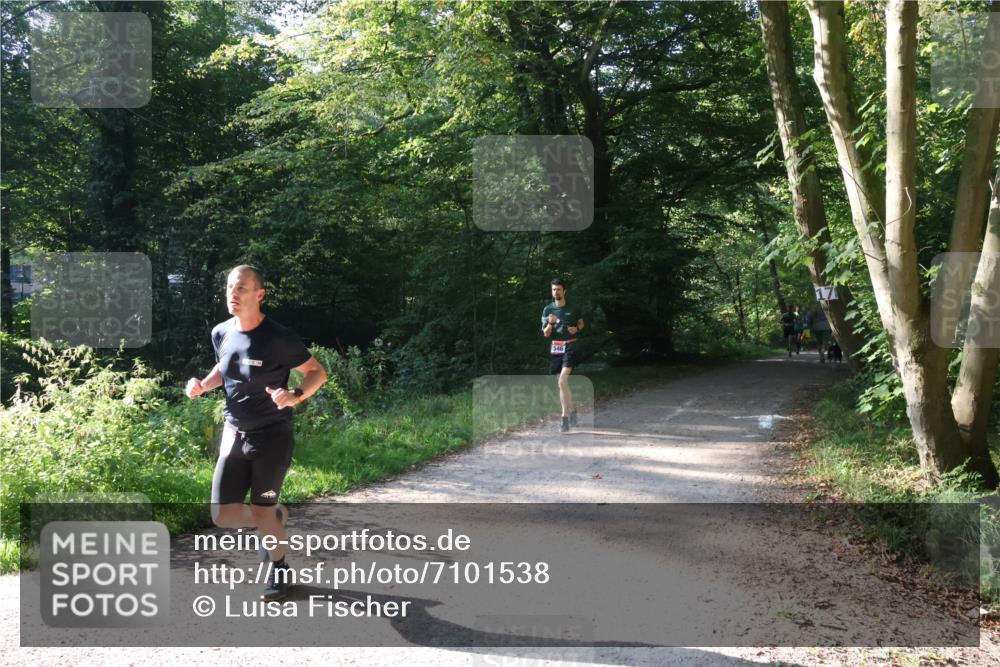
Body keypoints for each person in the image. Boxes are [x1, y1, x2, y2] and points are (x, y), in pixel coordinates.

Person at [185, 265, 328, 601]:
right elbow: (226, 365)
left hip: (272, 434)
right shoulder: (221, 332)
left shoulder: (278, 337)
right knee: (222, 515)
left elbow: (317, 372)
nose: (233, 294)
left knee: (262, 511)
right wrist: (203, 385)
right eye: (230, 288)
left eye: (242, 288)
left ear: (259, 294)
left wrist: (295, 396)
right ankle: (273, 518)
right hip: (234, 430)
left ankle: (279, 569)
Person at [541, 278, 584, 432]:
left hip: (571, 345)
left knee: (562, 380)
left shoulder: (573, 308)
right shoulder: (548, 310)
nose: (556, 292)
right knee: (561, 384)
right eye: (553, 289)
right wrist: (550, 324)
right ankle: (572, 410)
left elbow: (581, 323)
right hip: (555, 348)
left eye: (559, 289)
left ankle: (564, 418)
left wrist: (577, 330)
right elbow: (546, 334)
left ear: (564, 291)